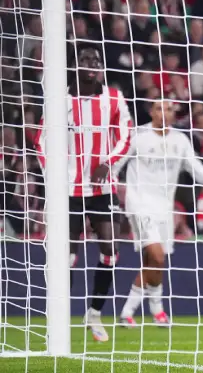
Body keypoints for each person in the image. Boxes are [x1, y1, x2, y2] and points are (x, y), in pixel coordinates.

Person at [38, 47, 133, 343]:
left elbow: (127, 135)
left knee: (110, 248)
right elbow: (42, 141)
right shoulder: (59, 100)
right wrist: (52, 178)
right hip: (68, 190)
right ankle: (61, 316)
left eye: (97, 61)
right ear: (75, 66)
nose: (92, 65)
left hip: (102, 189)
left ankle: (94, 312)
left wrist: (109, 162)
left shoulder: (114, 98)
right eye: (86, 60)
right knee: (66, 254)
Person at [117, 98, 203, 327]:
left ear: (174, 114)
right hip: (139, 204)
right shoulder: (138, 136)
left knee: (155, 261)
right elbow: (117, 163)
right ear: (151, 112)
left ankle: (149, 312)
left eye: (168, 109)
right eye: (158, 108)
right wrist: (111, 185)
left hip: (164, 208)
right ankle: (138, 311)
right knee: (156, 255)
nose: (163, 112)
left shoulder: (180, 140)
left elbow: (194, 167)